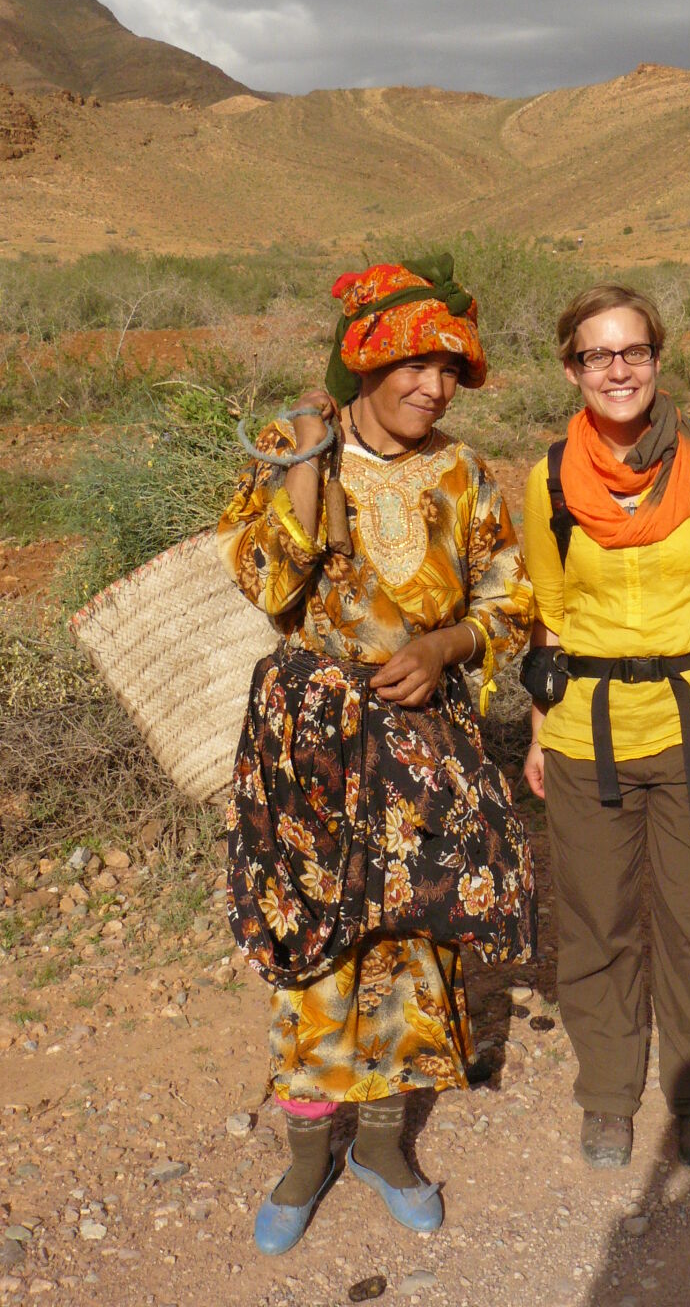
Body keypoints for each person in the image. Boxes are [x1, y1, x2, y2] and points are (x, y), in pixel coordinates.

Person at [219, 254, 536, 1254]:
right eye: (412, 365)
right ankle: (308, 1155)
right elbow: (268, 586)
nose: (430, 387)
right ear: (364, 363)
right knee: (313, 940)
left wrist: (446, 645)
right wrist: (306, 460)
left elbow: (511, 597)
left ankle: (386, 1148)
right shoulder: (290, 450)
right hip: (310, 740)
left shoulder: (468, 472)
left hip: (424, 740)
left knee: (417, 941)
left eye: (449, 369)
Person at [522, 283, 690, 1173]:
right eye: (598, 355)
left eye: (633, 351)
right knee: (595, 924)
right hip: (584, 733)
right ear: (572, 369)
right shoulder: (548, 477)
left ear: (657, 360)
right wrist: (535, 732)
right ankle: (606, 1095)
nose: (618, 369)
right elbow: (549, 618)